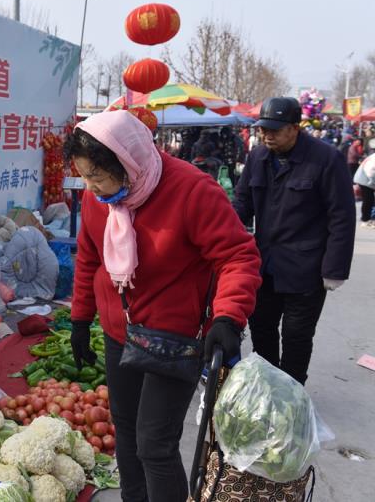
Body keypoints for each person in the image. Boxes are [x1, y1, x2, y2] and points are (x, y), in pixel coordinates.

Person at [66, 111, 261, 502]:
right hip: (119, 332)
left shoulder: (192, 190)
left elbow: (238, 256)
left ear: (128, 163)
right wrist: (81, 319)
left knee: (154, 443)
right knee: (125, 428)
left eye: (98, 176)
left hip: (173, 336)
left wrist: (228, 315)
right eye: (84, 176)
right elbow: (89, 258)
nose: (91, 187)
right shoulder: (97, 199)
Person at [233, 97, 356, 385]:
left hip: (307, 269)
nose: (267, 135)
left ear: (295, 128)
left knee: (296, 336)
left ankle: (292, 394)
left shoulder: (325, 159)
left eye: (275, 130)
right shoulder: (258, 157)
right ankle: (266, 386)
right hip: (264, 265)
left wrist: (334, 269)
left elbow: (342, 216)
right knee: (261, 329)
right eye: (263, 129)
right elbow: (242, 202)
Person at [354, 151, 375, 227]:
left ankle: (367, 219)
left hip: (366, 180)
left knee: (369, 200)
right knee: (368, 200)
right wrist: (372, 182)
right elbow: (369, 171)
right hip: (365, 180)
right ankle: (365, 220)